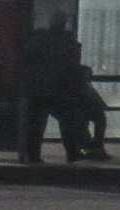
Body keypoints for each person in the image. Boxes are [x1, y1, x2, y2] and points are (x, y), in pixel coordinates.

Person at [20, 10, 94, 163]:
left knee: (37, 124)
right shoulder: (67, 41)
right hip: (59, 88)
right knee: (67, 122)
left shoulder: (39, 38)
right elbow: (71, 64)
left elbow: (29, 58)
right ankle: (72, 153)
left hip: (39, 88)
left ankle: (33, 155)